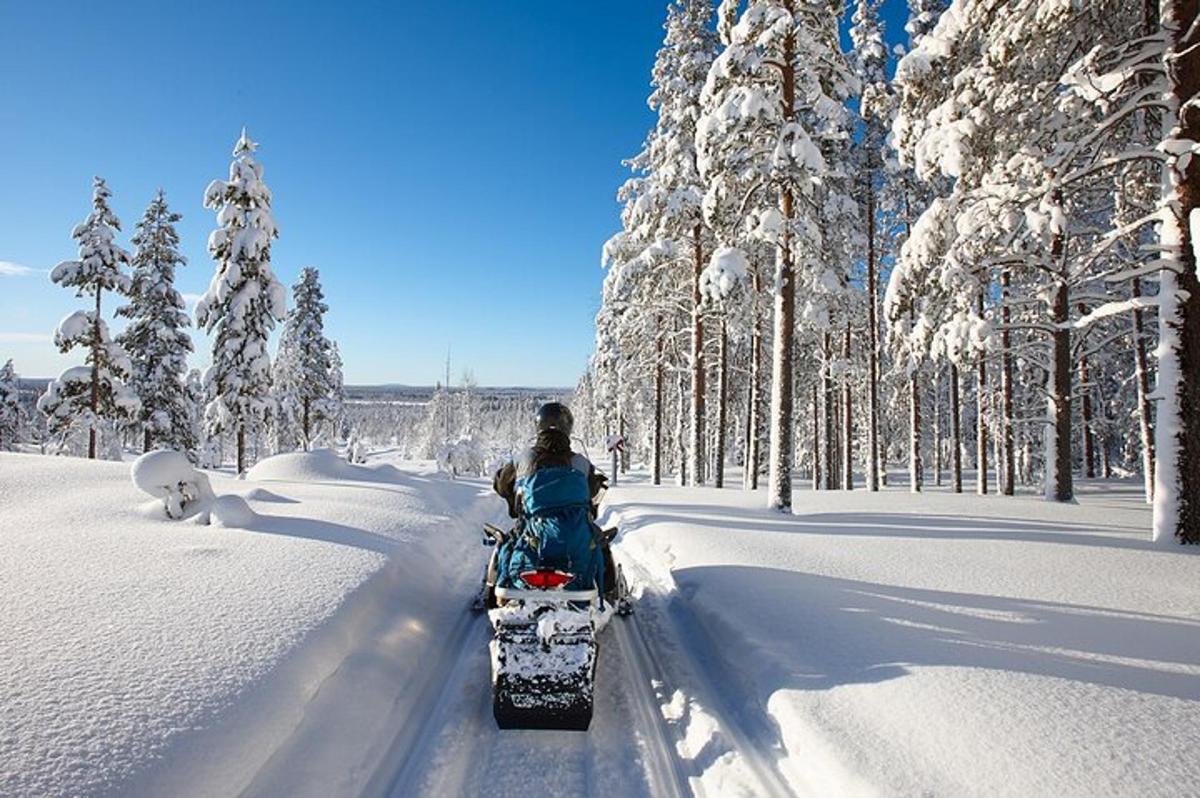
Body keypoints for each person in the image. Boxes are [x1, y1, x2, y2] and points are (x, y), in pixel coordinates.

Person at [489, 402, 617, 600]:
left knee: (506, 544)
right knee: (600, 545)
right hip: (575, 537)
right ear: (568, 428)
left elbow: (502, 486)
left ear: (538, 426)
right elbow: (592, 493)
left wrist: (511, 492)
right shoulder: (581, 463)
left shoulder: (524, 459)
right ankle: (609, 594)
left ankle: (493, 592)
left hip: (533, 534)